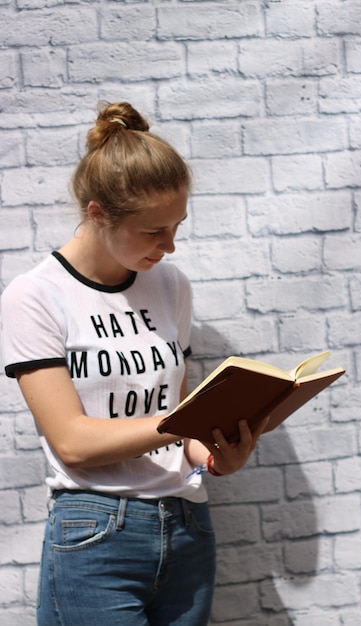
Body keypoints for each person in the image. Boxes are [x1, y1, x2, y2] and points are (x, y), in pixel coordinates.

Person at [1, 101, 267, 626]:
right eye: (153, 231)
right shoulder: (35, 296)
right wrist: (182, 425)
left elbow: (182, 419)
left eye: (177, 227)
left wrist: (215, 457)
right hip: (96, 533)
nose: (169, 246)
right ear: (98, 212)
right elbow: (74, 442)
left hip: (189, 525)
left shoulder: (170, 285)